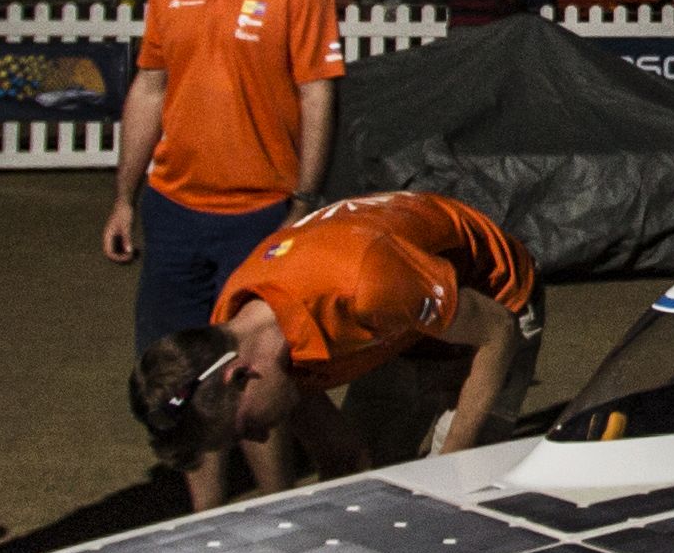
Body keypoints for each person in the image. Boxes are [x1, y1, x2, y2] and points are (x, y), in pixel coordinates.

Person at [103, 0, 344, 380]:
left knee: (252, 380)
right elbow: (149, 89)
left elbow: (318, 95)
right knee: (167, 376)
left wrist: (304, 203)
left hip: (261, 219)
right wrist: (123, 199)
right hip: (172, 214)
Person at [147, 187, 541, 503]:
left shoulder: (362, 282)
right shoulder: (238, 330)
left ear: (240, 375)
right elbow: (343, 458)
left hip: (492, 301)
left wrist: (453, 465)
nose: (261, 438)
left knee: (456, 491)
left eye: (247, 427)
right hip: (404, 312)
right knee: (369, 488)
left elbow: (497, 331)